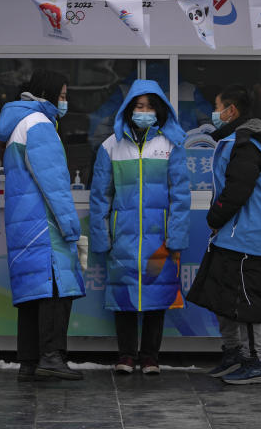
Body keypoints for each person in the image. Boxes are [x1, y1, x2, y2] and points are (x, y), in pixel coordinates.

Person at [185, 85, 261, 385]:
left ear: (231, 111)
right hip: (231, 237)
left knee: (246, 302)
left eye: (217, 106)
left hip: (248, 239)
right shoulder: (235, 141)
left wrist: (214, 218)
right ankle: (234, 353)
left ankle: (255, 362)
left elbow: (237, 191)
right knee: (222, 297)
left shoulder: (247, 145)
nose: (213, 114)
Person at [88, 79, 190, 375]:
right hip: (124, 236)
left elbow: (181, 196)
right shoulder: (111, 146)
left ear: (159, 111)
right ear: (129, 109)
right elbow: (100, 196)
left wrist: (177, 235)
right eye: (138, 106)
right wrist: (101, 234)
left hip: (161, 238)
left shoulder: (172, 144)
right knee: (124, 297)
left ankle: (150, 357)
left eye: (149, 107)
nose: (144, 112)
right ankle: (126, 355)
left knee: (157, 298)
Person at [0, 69, 85, 381]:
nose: (64, 101)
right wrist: (71, 228)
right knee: (55, 291)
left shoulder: (19, 122)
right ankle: (51, 356)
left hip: (24, 221)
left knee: (33, 294)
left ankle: (29, 361)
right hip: (45, 223)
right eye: (61, 95)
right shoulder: (40, 124)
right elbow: (55, 185)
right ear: (46, 93)